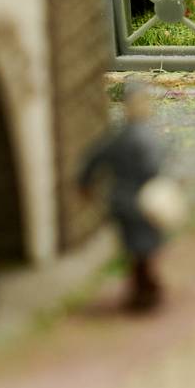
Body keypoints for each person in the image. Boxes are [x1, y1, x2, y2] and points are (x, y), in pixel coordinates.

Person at [79, 79, 173, 312]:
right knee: (143, 247)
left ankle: (143, 286)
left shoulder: (118, 136)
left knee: (135, 248)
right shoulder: (146, 137)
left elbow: (93, 159)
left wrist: (85, 184)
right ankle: (145, 288)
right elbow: (154, 166)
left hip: (121, 200)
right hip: (141, 200)